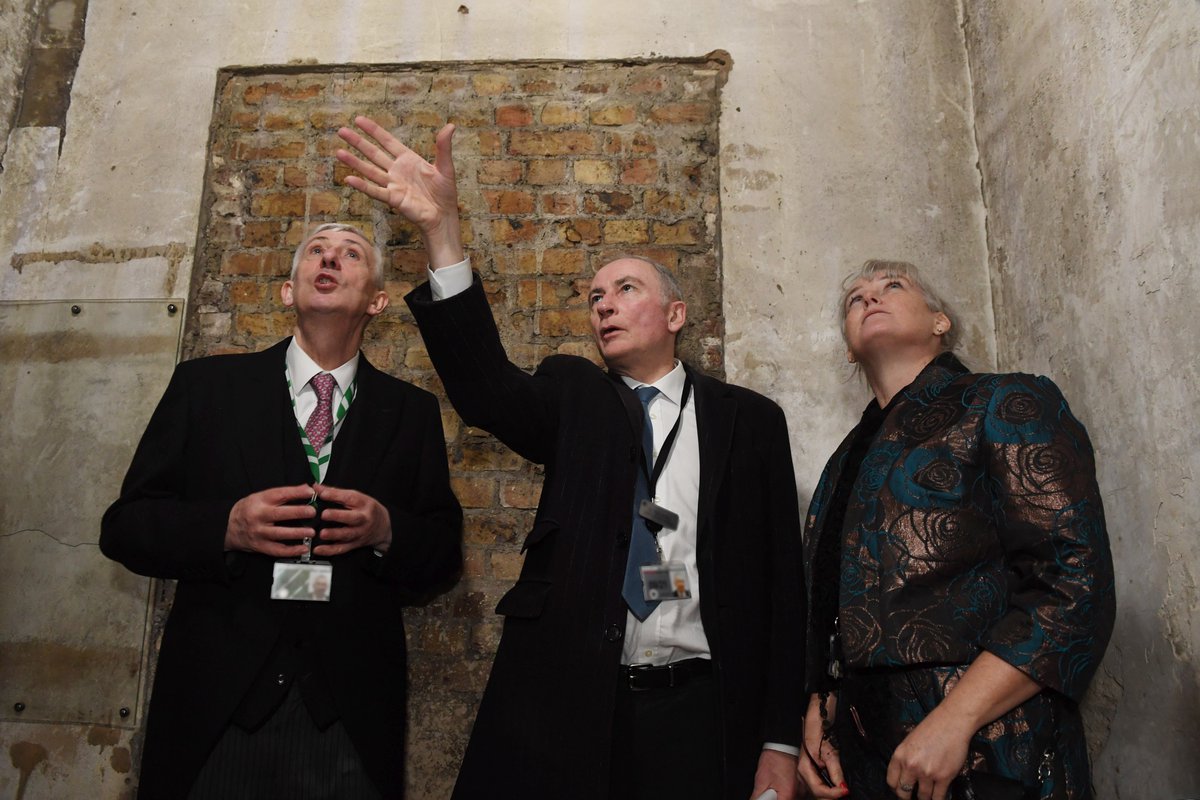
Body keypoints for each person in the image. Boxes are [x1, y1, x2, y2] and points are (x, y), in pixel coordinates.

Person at [335, 116, 806, 800]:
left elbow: (781, 587)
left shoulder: (750, 421)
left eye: (625, 290)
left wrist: (779, 738)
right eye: (593, 298)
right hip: (574, 707)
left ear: (675, 315)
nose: (603, 307)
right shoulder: (575, 396)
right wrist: (441, 232)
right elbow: (486, 389)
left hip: (704, 711)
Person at [100, 222, 463, 799]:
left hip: (350, 719)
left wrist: (387, 530)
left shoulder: (411, 412)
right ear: (288, 290)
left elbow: (443, 556)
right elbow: (125, 527)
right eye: (316, 251)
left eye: (350, 254)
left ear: (377, 300)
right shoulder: (206, 387)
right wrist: (226, 527)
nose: (329, 259)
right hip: (214, 708)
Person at [796, 260, 1116, 800]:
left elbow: (1074, 585)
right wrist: (820, 705)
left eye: (892, 286)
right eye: (855, 298)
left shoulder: (1005, 400)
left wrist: (955, 721)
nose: (870, 298)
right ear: (850, 348)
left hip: (990, 748)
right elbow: (834, 604)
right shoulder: (845, 461)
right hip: (864, 755)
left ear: (940, 321)